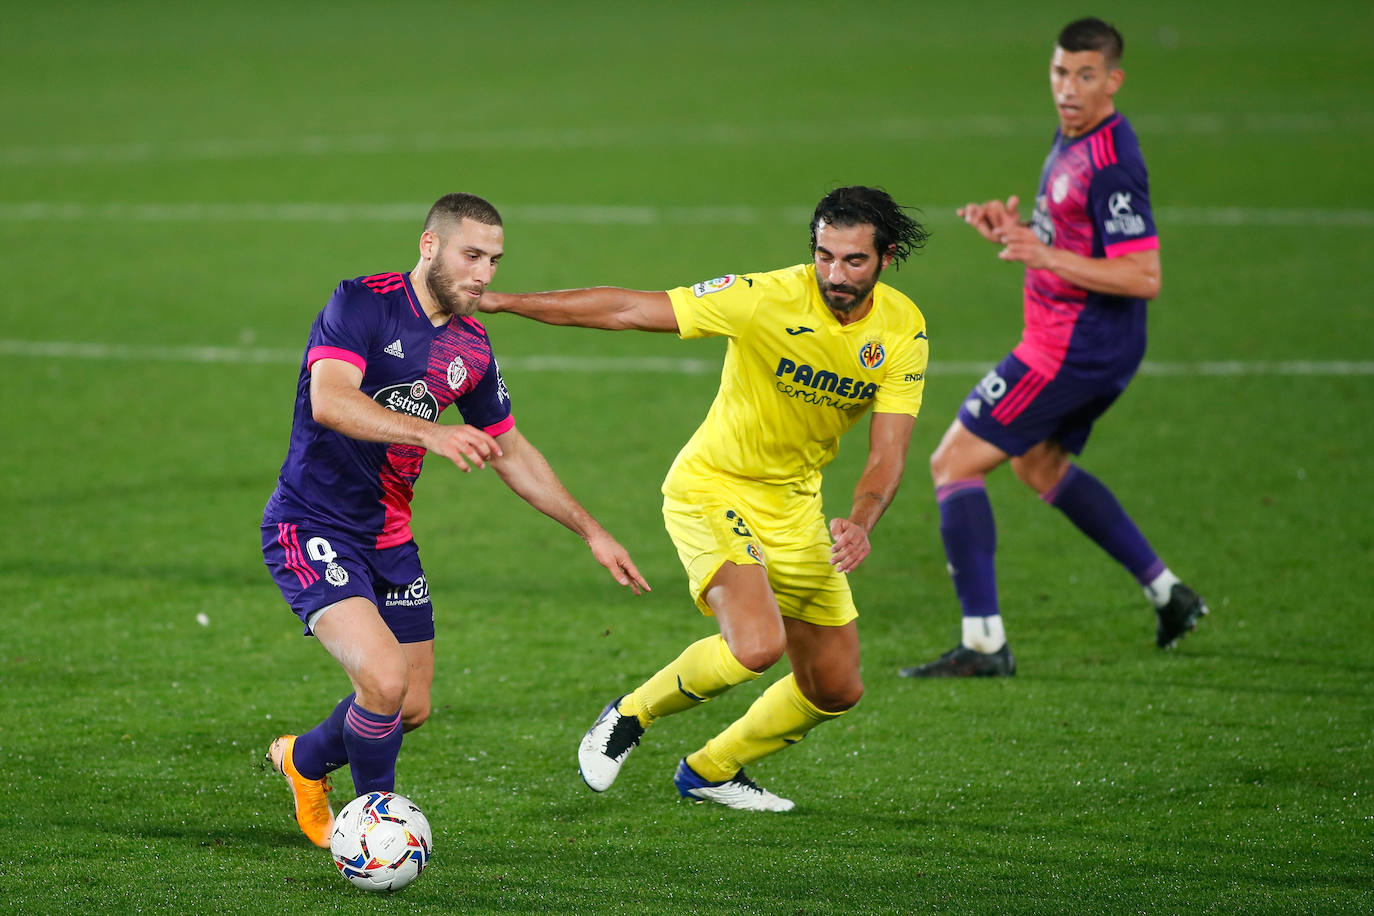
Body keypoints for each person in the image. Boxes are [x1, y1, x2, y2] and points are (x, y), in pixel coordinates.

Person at [479, 186, 930, 811]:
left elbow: (888, 455)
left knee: (836, 687)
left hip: (796, 507)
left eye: (854, 260)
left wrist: (860, 520)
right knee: (756, 644)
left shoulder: (903, 329)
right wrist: (502, 302)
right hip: (711, 488)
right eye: (824, 256)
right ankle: (630, 716)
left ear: (887, 256)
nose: (835, 274)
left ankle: (712, 769)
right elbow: (628, 310)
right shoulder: (765, 298)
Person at [261, 192, 650, 848]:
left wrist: (592, 530)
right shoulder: (362, 302)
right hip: (312, 524)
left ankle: (303, 762)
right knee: (383, 680)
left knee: (408, 705)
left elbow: (513, 450)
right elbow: (330, 401)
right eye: (473, 256)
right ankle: (375, 831)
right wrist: (431, 435)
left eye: (495, 261)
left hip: (389, 538)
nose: (484, 274)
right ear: (429, 246)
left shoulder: (470, 344)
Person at [899, 18, 1206, 679]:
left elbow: (1143, 275)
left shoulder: (1111, 163)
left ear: (1113, 80)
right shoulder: (1074, 135)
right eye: (1061, 73)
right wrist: (1019, 231)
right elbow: (1072, 234)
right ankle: (1169, 593)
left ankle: (984, 645)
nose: (1069, 88)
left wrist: (1045, 253)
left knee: (952, 462)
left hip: (1071, 348)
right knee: (1037, 465)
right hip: (1082, 343)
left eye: (1085, 76)